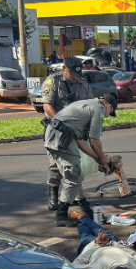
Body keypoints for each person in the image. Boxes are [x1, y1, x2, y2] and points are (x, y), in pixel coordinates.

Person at [43, 94, 118, 227]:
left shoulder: (87, 103)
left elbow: (80, 140)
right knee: (73, 176)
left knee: (75, 174)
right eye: (109, 113)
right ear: (108, 106)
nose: (107, 116)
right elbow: (94, 140)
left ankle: (85, 208)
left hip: (54, 136)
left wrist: (96, 157)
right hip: (61, 139)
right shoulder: (98, 110)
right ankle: (61, 216)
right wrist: (104, 158)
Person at [41, 56, 94, 211]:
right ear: (64, 69)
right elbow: (47, 105)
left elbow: (89, 105)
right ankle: (53, 195)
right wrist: (61, 122)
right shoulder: (53, 81)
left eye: (78, 75)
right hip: (56, 131)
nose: (75, 79)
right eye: (72, 75)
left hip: (75, 132)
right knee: (55, 165)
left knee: (75, 165)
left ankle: (76, 196)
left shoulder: (83, 84)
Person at [70, 214, 136, 269]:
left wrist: (98, 244)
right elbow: (75, 265)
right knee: (86, 230)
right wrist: (105, 243)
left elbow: (135, 255)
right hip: (102, 242)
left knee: (86, 226)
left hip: (96, 244)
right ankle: (81, 217)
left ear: (126, 268)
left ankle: (81, 217)